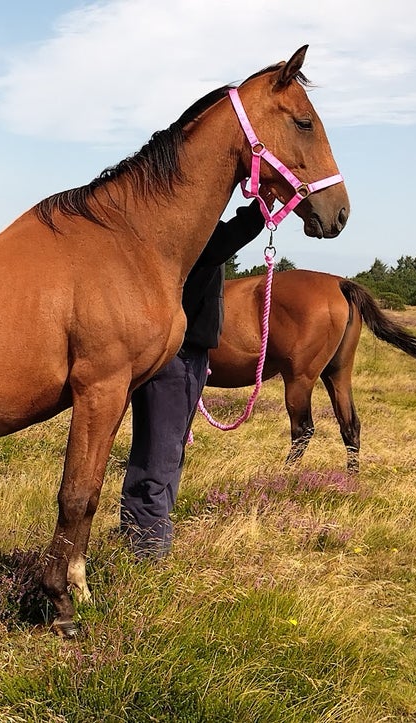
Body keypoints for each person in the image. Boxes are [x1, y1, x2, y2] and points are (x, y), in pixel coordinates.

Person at [119, 199, 271, 560]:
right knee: (158, 457)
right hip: (177, 359)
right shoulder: (190, 235)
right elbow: (227, 239)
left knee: (168, 455)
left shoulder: (184, 232)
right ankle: (146, 554)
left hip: (190, 357)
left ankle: (144, 537)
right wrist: (260, 208)